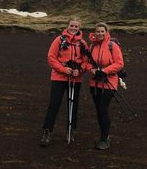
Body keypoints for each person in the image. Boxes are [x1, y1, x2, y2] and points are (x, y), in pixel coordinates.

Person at [39, 17, 89, 147]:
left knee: (73, 105)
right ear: (67, 26)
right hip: (59, 78)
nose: (73, 28)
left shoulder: (82, 43)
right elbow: (51, 57)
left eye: (76, 26)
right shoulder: (59, 40)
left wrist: (80, 70)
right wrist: (63, 69)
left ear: (79, 28)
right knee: (54, 104)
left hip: (75, 78)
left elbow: (86, 60)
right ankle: (47, 131)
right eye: (71, 25)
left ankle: (71, 130)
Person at [86, 22, 124, 150]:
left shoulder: (112, 46)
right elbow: (88, 63)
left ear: (106, 32)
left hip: (110, 82)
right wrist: (91, 69)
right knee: (99, 111)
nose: (100, 33)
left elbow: (119, 63)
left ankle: (104, 138)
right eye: (98, 31)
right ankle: (103, 135)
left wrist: (104, 71)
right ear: (94, 33)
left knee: (102, 109)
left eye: (103, 31)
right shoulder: (92, 47)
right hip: (94, 83)